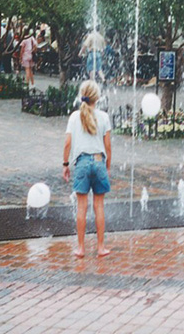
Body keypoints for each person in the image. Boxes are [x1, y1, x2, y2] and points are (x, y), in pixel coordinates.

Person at [62, 80, 112, 258]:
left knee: (82, 207)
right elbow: (108, 146)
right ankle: (100, 248)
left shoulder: (74, 117)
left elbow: (68, 143)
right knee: (99, 206)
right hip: (99, 162)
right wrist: (107, 167)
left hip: (81, 163)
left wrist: (65, 164)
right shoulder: (104, 117)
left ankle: (81, 248)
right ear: (97, 97)